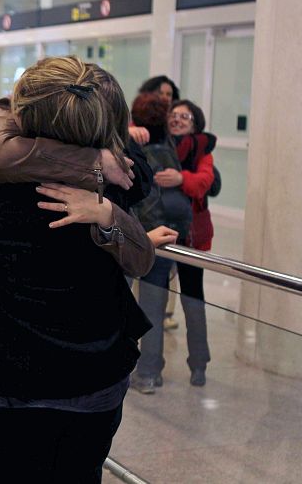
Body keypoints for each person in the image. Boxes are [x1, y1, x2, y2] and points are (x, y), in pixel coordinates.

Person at [0, 56, 154, 483]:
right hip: (97, 371)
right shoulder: (118, 175)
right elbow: (140, 176)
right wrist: (91, 162)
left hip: (10, 381)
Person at [128, 93, 194, 394]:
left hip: (132, 237)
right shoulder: (170, 149)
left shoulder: (127, 146)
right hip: (165, 236)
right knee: (153, 308)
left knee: (118, 303)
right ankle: (149, 373)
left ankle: (119, 366)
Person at [155, 99, 216, 386]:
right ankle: (150, 365)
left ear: (195, 123)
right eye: (174, 115)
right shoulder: (156, 144)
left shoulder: (203, 149)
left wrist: (180, 178)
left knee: (193, 301)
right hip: (160, 233)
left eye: (185, 116)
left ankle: (199, 364)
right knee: (154, 300)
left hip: (192, 238)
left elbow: (204, 182)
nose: (178, 119)